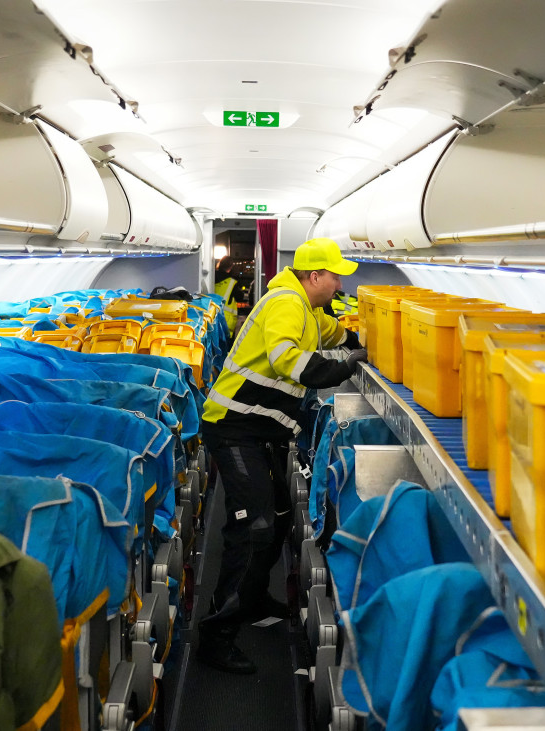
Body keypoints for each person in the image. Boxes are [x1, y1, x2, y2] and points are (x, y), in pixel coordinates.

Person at [197, 237, 368, 674]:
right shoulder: (286, 303)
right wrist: (347, 365)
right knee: (254, 525)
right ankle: (216, 636)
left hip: (262, 431)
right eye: (335, 277)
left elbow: (340, 334)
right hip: (233, 426)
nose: (339, 285)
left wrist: (361, 342)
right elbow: (288, 361)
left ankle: (252, 602)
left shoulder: (311, 311)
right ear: (315, 276)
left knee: (276, 517)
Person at [213, 257, 242, 335]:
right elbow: (240, 297)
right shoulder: (232, 283)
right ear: (231, 267)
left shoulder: (211, 278)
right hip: (226, 322)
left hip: (211, 318)